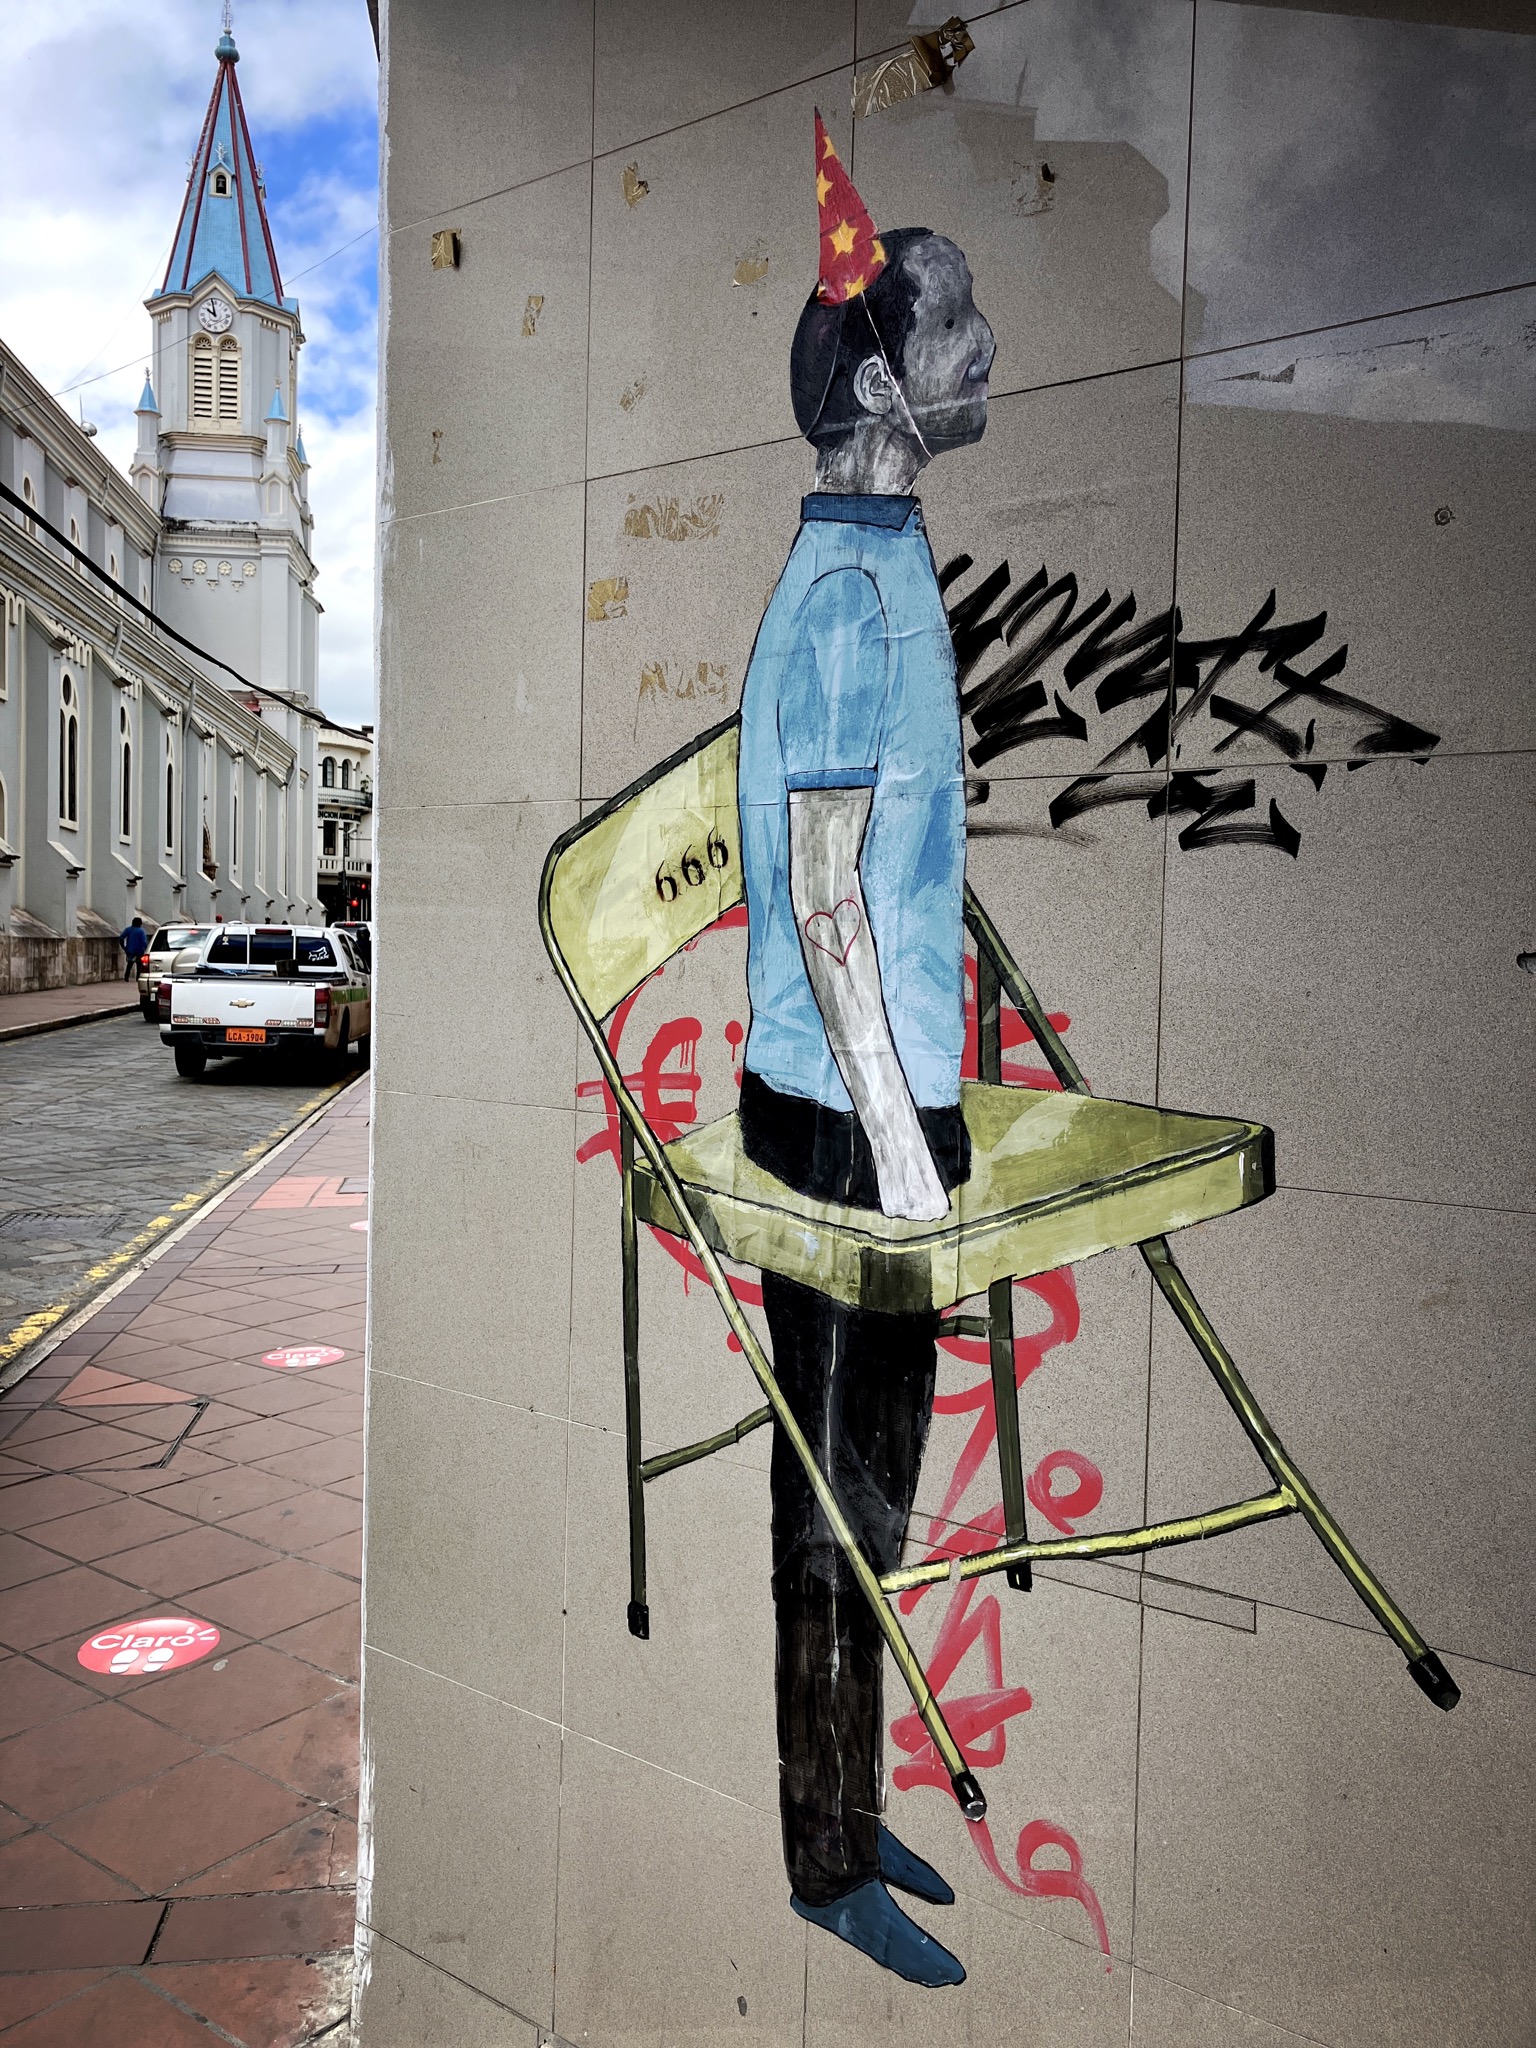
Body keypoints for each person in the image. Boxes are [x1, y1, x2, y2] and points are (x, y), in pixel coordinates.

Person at [736, 114, 995, 1990]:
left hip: (888, 1094)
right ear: (889, 380)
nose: (988, 347)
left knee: (877, 1492)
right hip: (841, 1116)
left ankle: (852, 1786)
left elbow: (894, 870)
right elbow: (825, 897)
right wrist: (907, 1155)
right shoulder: (845, 593)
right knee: (830, 1508)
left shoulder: (891, 561)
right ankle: (824, 1859)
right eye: (958, 320)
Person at [120, 915, 151, 981]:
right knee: (139, 965)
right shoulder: (141, 931)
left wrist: (123, 947)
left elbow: (121, 937)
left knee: (129, 965)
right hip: (139, 951)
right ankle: (137, 978)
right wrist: (146, 950)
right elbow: (144, 942)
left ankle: (126, 977)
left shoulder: (128, 929)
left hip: (130, 950)